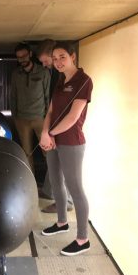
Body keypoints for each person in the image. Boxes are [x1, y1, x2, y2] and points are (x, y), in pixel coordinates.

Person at [39, 42, 93, 256]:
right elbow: (51, 111)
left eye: (62, 57)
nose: (58, 62)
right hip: (53, 140)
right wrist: (46, 133)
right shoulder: (60, 79)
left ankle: (82, 239)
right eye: (55, 58)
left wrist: (50, 134)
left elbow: (73, 117)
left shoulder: (84, 81)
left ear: (73, 57)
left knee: (76, 190)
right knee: (55, 183)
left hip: (71, 141)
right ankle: (62, 222)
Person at [36, 39, 74, 213]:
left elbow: (70, 112)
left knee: (63, 167)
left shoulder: (69, 77)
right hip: (56, 125)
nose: (46, 65)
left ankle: (65, 202)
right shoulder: (58, 76)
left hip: (65, 130)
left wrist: (51, 131)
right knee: (54, 161)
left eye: (46, 61)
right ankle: (50, 192)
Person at [10, 42, 50, 175]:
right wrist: (15, 117)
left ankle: (51, 182)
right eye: (19, 57)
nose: (22, 59)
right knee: (26, 153)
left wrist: (47, 117)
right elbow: (13, 96)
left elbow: (47, 95)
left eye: (24, 56)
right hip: (22, 120)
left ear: (30, 55)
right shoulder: (15, 74)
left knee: (47, 150)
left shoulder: (43, 72)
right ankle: (31, 181)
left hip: (40, 118)